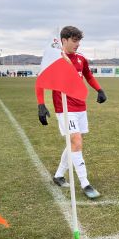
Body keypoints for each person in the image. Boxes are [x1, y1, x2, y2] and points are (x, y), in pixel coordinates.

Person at [36, 26, 107, 199]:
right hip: (64, 107)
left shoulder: (81, 59)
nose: (77, 44)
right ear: (64, 40)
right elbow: (40, 82)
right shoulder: (55, 59)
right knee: (76, 140)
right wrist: (41, 104)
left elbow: (88, 75)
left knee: (73, 143)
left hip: (80, 107)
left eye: (79, 41)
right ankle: (85, 183)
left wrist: (100, 89)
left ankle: (59, 175)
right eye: (74, 41)